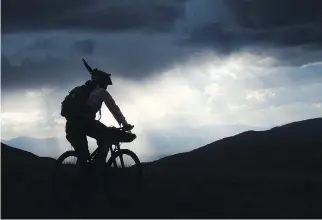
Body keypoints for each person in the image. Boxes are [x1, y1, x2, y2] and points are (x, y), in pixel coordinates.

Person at [62, 68, 135, 167]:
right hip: (86, 123)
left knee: (83, 156)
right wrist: (124, 124)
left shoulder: (83, 91)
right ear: (102, 83)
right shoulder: (101, 92)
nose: (106, 87)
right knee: (107, 136)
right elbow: (114, 109)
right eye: (106, 84)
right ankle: (99, 166)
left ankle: (82, 176)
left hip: (71, 125)